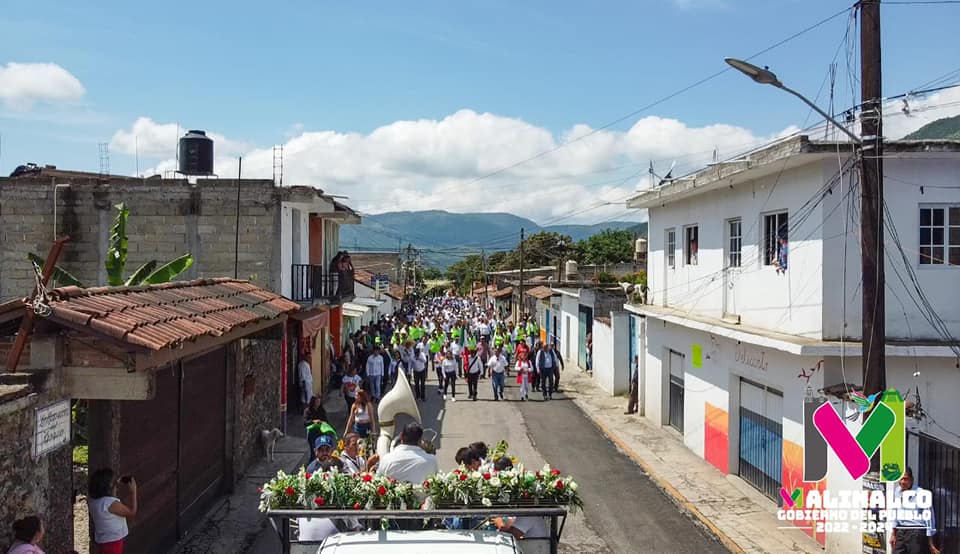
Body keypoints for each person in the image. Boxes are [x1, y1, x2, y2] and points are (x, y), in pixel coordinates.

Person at [891, 467, 940, 554]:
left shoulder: (921, 494)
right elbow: (895, 513)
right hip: (901, 531)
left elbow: (929, 519)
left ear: (911, 479)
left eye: (905, 479)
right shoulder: (897, 491)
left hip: (916, 531)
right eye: (900, 479)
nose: (902, 482)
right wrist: (893, 534)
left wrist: (931, 543)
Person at [88, 468, 136, 554]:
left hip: (103, 540)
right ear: (108, 487)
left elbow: (109, 500)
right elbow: (132, 512)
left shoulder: (92, 501)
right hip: (114, 542)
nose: (115, 484)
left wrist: (114, 486)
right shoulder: (110, 503)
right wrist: (133, 491)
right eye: (113, 483)